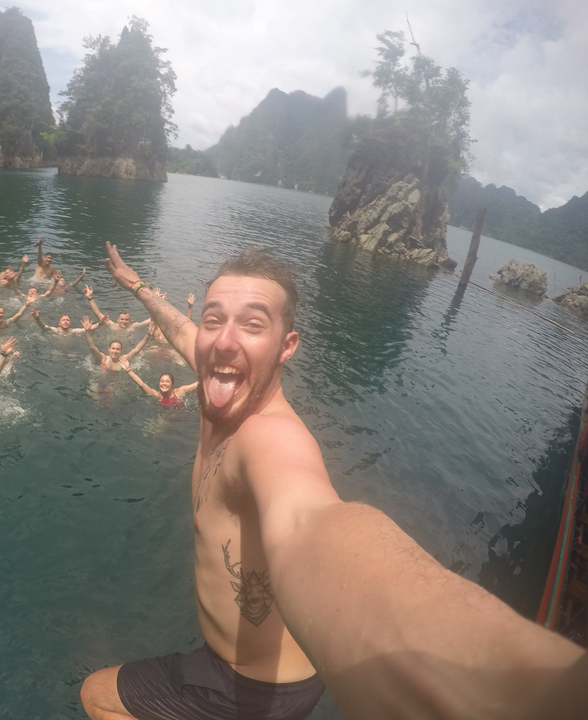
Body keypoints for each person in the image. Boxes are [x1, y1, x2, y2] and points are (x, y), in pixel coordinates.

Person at [80, 241, 588, 720]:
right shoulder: (218, 368)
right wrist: (137, 286)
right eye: (214, 320)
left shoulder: (272, 440)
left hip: (249, 685)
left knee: (98, 695)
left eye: (252, 325)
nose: (225, 339)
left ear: (287, 346)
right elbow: (178, 328)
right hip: (290, 674)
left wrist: (522, 688)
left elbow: (309, 520)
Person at [118, 357, 197, 406]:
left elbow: (198, 384)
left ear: (172, 384)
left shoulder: (180, 392)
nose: (164, 384)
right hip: (164, 417)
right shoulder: (157, 395)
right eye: (162, 381)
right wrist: (128, 370)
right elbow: (141, 384)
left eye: (167, 381)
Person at [81, 316, 151, 371]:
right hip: (97, 381)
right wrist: (88, 331)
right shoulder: (103, 359)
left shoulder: (122, 360)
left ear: (121, 351)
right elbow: (92, 347)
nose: (115, 351)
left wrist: (147, 336)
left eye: (117, 349)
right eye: (113, 348)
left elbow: (136, 350)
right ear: (109, 349)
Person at [84, 285, 151, 331]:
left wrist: (158, 301)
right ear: (117, 320)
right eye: (122, 319)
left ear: (130, 321)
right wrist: (90, 298)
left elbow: (151, 319)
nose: (124, 321)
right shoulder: (113, 326)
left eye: (126, 319)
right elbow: (97, 313)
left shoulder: (133, 326)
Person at [32, 310, 105, 335]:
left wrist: (100, 323)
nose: (66, 322)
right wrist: (38, 319)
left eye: (67, 320)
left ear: (70, 323)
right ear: (59, 323)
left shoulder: (73, 331)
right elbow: (44, 327)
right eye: (63, 320)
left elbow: (88, 329)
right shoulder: (56, 330)